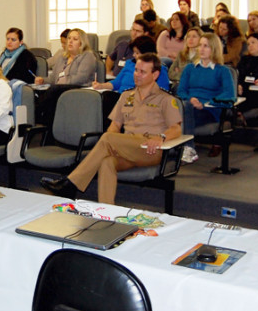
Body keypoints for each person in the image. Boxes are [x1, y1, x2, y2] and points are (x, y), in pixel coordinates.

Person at [40, 53, 183, 205]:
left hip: (150, 149)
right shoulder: (126, 96)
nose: (137, 75)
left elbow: (176, 129)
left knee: (107, 138)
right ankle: (107, 209)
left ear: (155, 75)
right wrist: (112, 143)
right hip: (126, 147)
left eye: (142, 72)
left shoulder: (166, 99)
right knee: (107, 162)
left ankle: (71, 183)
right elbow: (115, 125)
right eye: (136, 70)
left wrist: (161, 138)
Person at [177, 32, 236, 157]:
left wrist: (205, 104)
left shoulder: (223, 71)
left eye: (206, 46)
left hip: (208, 111)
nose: (201, 49)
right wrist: (190, 99)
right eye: (200, 45)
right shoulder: (189, 68)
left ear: (214, 49)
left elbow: (229, 94)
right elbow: (181, 91)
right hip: (189, 106)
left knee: (183, 111)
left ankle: (188, 148)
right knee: (181, 108)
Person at [34, 28, 96, 125]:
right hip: (59, 89)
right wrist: (43, 80)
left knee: (53, 90)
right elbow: (53, 78)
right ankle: (45, 124)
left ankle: (37, 117)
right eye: (69, 38)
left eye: (75, 39)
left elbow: (80, 78)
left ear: (82, 43)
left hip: (79, 89)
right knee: (40, 92)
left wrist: (61, 83)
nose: (70, 41)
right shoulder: (62, 57)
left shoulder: (87, 56)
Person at [93, 36, 169, 93]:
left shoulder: (159, 70)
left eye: (137, 53)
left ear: (147, 54)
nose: (134, 55)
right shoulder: (129, 63)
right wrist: (101, 86)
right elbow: (116, 83)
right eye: (134, 52)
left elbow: (162, 93)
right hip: (121, 98)